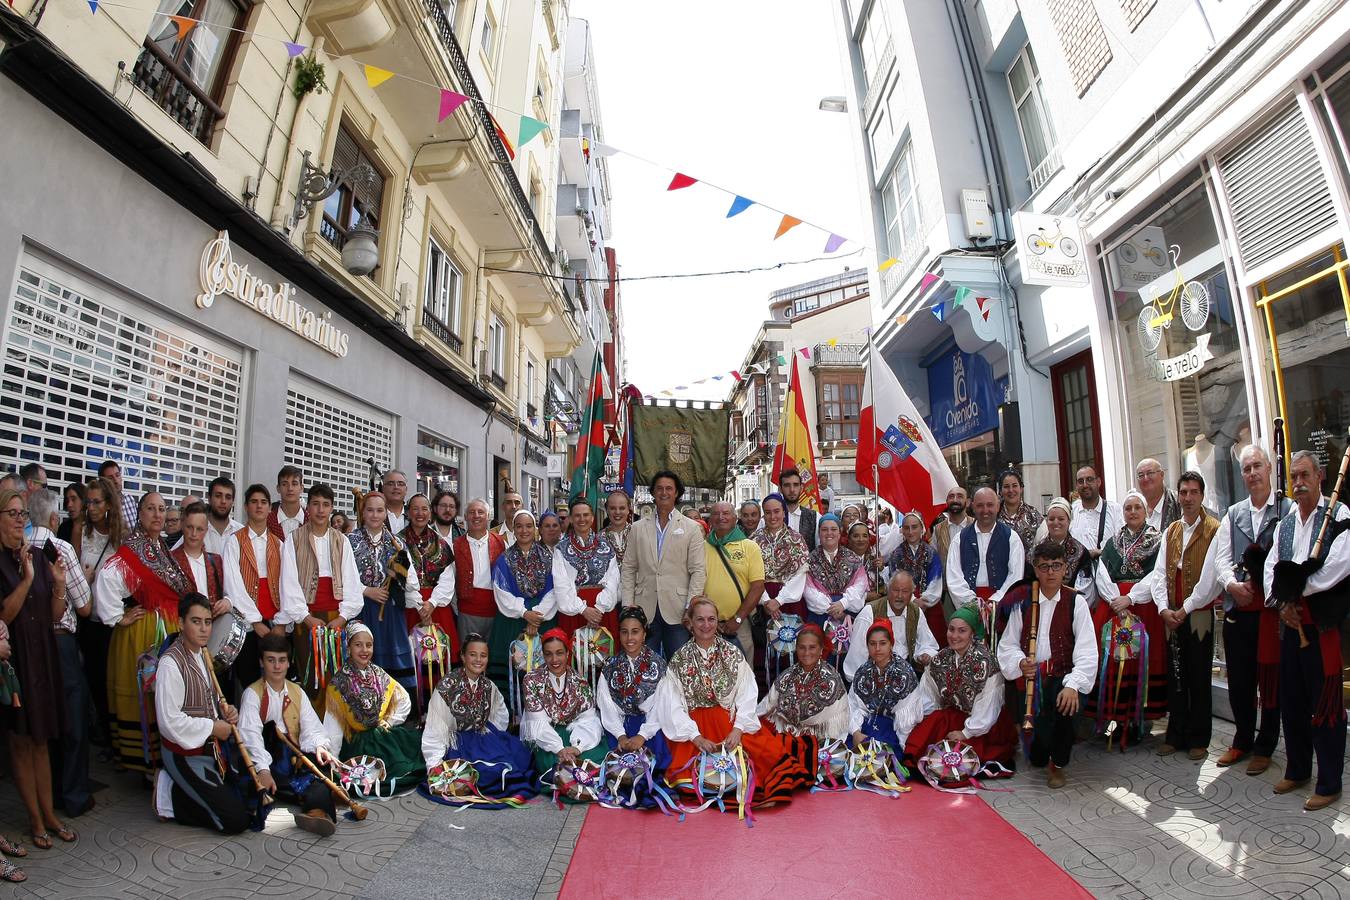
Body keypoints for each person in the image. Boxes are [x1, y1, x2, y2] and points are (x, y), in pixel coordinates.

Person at [1182, 445, 1288, 773]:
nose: (1252, 473)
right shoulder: (1234, 513)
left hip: (1270, 613)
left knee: (1270, 681)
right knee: (1240, 681)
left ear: (1269, 468)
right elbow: (1221, 558)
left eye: (1257, 466)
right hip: (1237, 610)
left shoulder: (1286, 510)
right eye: (1246, 469)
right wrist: (1231, 586)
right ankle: (1242, 739)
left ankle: (1266, 743)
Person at [656, 598, 815, 806]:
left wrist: (739, 728)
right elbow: (673, 705)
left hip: (729, 723)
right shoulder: (679, 660)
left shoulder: (732, 654)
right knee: (695, 777)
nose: (706, 625)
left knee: (763, 759)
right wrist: (696, 737)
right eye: (700, 619)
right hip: (694, 730)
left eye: (711, 619)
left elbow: (747, 693)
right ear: (690, 623)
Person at [1263, 450, 1349, 811]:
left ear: (1320, 477)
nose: (1298, 483)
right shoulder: (1284, 524)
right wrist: (1283, 603)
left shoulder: (1339, 515)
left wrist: (1296, 593)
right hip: (1289, 623)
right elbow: (1271, 568)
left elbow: (1337, 567)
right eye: (1294, 477)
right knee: (1293, 702)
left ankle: (1329, 781)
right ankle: (1297, 769)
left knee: (1326, 705)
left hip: (1320, 626)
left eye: (1305, 476)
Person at [94, 492, 192, 772]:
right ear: (140, 513)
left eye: (162, 509)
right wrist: (118, 617)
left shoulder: (159, 547)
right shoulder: (132, 549)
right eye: (151, 508)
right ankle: (145, 763)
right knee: (146, 693)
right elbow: (108, 578)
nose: (158, 514)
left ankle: (165, 758)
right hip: (144, 632)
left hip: (166, 628)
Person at [1, 488, 75, 848]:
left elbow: (55, 614)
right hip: (14, 660)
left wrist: (58, 584)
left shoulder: (38, 553)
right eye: (12, 513)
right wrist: (28, 579)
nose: (19, 520)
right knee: (21, 742)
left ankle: (49, 813)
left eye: (22, 514)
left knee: (42, 739)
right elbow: (4, 615)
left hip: (42, 655)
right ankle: (34, 819)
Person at [1131, 471, 1220, 760]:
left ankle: (1199, 737)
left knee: (1198, 677)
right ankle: (1176, 733)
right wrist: (1163, 609)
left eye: (1194, 492)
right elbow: (1158, 575)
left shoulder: (1214, 529)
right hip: (1171, 615)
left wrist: (1186, 608)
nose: (1188, 498)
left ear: (1202, 495)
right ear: (1178, 495)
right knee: (1176, 677)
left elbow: (1210, 579)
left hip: (1197, 614)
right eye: (1183, 492)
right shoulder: (1171, 530)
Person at [998, 542, 1098, 788]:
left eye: (1056, 566)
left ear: (1065, 568)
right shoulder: (1022, 602)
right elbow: (1008, 645)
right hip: (1032, 681)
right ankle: (1044, 755)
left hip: (1064, 677)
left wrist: (1074, 685)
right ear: (1036, 568)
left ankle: (1059, 764)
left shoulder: (1076, 602)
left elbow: (1087, 651)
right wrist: (1020, 662)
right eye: (1044, 567)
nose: (1050, 572)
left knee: (1066, 707)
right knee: (1037, 755)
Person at [152, 592, 250, 834]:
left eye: (207, 622)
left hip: (209, 749)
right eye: (196, 622)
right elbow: (169, 723)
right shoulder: (170, 664)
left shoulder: (203, 654)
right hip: (183, 753)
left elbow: (210, 700)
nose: (204, 629)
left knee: (248, 799)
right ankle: (169, 795)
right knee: (234, 821)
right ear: (181, 623)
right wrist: (213, 727)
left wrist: (227, 713)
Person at [28, 490, 95, 817]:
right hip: (60, 642)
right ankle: (74, 795)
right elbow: (84, 607)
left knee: (42, 720)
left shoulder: (20, 547)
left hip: (28, 644)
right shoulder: (62, 549)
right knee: (72, 720)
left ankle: (47, 793)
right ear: (54, 519)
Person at [237, 633, 337, 835]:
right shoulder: (252, 694)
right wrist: (263, 770)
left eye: (282, 660)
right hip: (266, 760)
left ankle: (316, 813)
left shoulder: (296, 691)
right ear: (261, 662)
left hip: (292, 758)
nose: (277, 666)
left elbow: (312, 729)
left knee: (321, 769)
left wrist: (319, 746)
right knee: (250, 791)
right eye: (271, 660)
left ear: (288, 662)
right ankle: (301, 797)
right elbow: (251, 737)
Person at [420, 632, 536, 806]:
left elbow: (501, 715)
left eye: (483, 655)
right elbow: (435, 727)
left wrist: (491, 733)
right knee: (483, 772)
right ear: (462, 656)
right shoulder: (446, 687)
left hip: (482, 737)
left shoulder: (489, 686)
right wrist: (434, 765)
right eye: (472, 654)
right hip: (458, 743)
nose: (478, 660)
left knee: (520, 756)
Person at [894, 608, 1017, 765]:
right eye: (951, 629)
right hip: (951, 717)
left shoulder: (986, 662)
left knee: (960, 761)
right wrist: (919, 720)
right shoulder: (940, 659)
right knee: (923, 747)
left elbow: (988, 706)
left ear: (972, 634)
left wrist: (965, 733)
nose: (954, 636)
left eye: (962, 631)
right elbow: (928, 696)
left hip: (981, 723)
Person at [277, 484, 363, 699]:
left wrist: (342, 618)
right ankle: (310, 727)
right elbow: (288, 582)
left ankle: (335, 728)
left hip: (335, 617)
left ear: (332, 508)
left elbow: (351, 582)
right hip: (307, 617)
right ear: (309, 507)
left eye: (326, 505)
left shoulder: (341, 540)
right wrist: (305, 618)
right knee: (310, 676)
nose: (320, 510)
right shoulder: (294, 539)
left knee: (336, 676)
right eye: (315, 504)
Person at [1093, 490, 1168, 727]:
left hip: (1142, 608)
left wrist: (1131, 598)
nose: (1133, 512)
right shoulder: (1113, 542)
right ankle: (1115, 718)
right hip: (1114, 608)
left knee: (1140, 659)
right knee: (1114, 661)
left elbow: (1158, 574)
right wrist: (1117, 600)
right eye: (1128, 508)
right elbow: (1102, 573)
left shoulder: (1157, 540)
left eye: (1137, 507)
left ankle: (1139, 720)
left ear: (1146, 511)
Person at [323, 623, 423, 795]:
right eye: (358, 644)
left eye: (369, 645)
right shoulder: (338, 682)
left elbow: (404, 699)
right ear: (348, 647)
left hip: (381, 735)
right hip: (358, 743)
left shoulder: (378, 673)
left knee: (410, 759)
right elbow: (333, 727)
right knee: (371, 775)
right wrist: (334, 761)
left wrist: (390, 721)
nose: (364, 650)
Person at [620, 471, 707, 658]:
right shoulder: (637, 528)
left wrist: (690, 606)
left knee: (680, 666)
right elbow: (628, 568)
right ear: (653, 492)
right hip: (644, 610)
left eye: (669, 488)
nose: (664, 492)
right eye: (659, 488)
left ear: (676, 493)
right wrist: (628, 605)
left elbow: (698, 571)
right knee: (644, 666)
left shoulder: (691, 528)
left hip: (678, 611)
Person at [595, 607, 671, 806]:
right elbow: (606, 705)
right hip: (618, 728)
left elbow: (660, 707)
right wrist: (620, 735)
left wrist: (642, 736)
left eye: (635, 631)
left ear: (644, 633)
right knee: (613, 767)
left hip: (649, 729)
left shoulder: (659, 665)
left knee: (651, 769)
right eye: (624, 631)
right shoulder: (610, 666)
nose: (630, 637)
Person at [349, 491, 422, 694]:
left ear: (386, 513)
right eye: (370, 510)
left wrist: (399, 572)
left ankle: (396, 704)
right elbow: (343, 578)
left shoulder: (397, 543)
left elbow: (411, 582)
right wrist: (366, 590)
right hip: (362, 610)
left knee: (393, 657)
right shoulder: (349, 541)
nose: (374, 515)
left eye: (380, 510)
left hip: (390, 611)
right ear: (362, 512)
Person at [520, 629, 607, 795]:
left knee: (599, 755)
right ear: (543, 655)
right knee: (554, 763)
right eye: (549, 654)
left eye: (559, 653)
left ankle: (578, 780)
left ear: (568, 653)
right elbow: (537, 724)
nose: (554, 660)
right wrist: (559, 749)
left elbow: (588, 720)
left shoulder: (579, 681)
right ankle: (570, 782)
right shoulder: (531, 680)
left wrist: (576, 748)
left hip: (574, 732)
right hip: (546, 737)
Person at [488, 510, 558, 700]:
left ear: (535, 529)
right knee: (512, 666)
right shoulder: (503, 559)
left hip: (544, 618)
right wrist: (524, 613)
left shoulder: (549, 558)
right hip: (512, 620)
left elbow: (554, 591)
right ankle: (512, 711)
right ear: (514, 529)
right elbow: (501, 592)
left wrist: (536, 616)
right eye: (519, 526)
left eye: (528, 526)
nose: (524, 530)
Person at [76, 476, 123, 748]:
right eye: (88, 502)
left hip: (111, 622)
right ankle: (103, 736)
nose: (91, 507)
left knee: (111, 683)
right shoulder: (82, 531)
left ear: (108, 504)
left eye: (96, 502)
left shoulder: (121, 537)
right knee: (94, 681)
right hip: (88, 620)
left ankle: (114, 740)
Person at [222, 485, 284, 692]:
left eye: (264, 502)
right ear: (246, 507)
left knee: (276, 680)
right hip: (248, 622)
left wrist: (281, 622)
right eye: (254, 502)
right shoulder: (234, 542)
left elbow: (287, 584)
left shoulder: (279, 544)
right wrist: (255, 622)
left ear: (269, 509)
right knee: (249, 680)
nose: (259, 506)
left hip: (275, 621)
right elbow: (233, 585)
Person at [946, 487, 1024, 644]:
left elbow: (1015, 576)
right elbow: (953, 576)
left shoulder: (1011, 538)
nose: (985, 510)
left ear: (998, 506)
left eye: (990, 505)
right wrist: (975, 604)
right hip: (968, 605)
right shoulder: (960, 538)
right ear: (973, 506)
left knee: (1001, 649)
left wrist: (995, 602)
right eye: (980, 505)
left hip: (1002, 604)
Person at [757, 624, 850, 741]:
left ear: (821, 649)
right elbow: (767, 704)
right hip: (784, 735)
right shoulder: (788, 675)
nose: (806, 653)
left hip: (818, 740)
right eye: (802, 647)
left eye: (812, 647)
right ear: (796, 648)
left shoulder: (832, 679)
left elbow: (836, 725)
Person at [844, 572, 939, 680]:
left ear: (911, 595)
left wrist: (924, 654)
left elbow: (927, 643)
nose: (899, 596)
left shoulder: (916, 612)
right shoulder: (869, 612)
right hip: (875, 676)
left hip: (907, 675)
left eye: (905, 591)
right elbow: (856, 657)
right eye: (895, 590)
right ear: (888, 590)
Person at [402, 493, 459, 670]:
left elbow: (448, 579)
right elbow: (399, 577)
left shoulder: (441, 543)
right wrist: (419, 605)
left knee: (440, 660)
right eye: (415, 509)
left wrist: (432, 603)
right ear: (408, 512)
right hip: (411, 607)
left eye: (424, 509)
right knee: (413, 661)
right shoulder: (398, 541)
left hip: (437, 606)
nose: (420, 513)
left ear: (430, 512)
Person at [703, 501, 764, 660]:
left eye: (726, 513)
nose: (721, 517)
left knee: (743, 677)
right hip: (707, 625)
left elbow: (757, 587)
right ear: (710, 520)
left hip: (740, 625)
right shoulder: (701, 547)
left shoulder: (750, 547)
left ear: (735, 518)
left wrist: (737, 618)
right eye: (716, 513)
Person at [553, 498, 620, 641]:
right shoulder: (561, 549)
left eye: (586, 515)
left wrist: (599, 609)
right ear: (571, 518)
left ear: (592, 517)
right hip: (574, 611)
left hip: (602, 611)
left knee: (603, 654)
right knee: (576, 658)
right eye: (577, 515)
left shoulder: (606, 546)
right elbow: (561, 584)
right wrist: (583, 610)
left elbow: (613, 580)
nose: (582, 519)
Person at [847, 618, 919, 750]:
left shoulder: (904, 673)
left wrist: (901, 747)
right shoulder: (863, 672)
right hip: (866, 724)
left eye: (883, 643)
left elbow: (906, 718)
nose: (877, 649)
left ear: (891, 644)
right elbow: (854, 705)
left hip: (892, 730)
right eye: (872, 644)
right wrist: (856, 732)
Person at [883, 511, 945, 647]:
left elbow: (936, 580)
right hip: (903, 602)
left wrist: (925, 600)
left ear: (921, 528)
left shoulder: (931, 553)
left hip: (929, 604)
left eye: (914, 527)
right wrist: (911, 600)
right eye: (906, 528)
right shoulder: (896, 555)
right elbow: (894, 580)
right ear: (902, 530)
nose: (910, 531)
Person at [455, 499, 506, 644]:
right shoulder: (456, 545)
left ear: (488, 516)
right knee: (468, 652)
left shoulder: (501, 542)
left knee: (491, 655)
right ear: (465, 517)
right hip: (467, 612)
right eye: (471, 512)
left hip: (495, 609)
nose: (476, 516)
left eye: (480, 512)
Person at [803, 514, 866, 630]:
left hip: (848, 616)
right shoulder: (809, 560)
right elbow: (808, 591)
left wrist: (843, 603)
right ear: (819, 533)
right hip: (819, 617)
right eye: (824, 530)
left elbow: (860, 585)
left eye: (833, 529)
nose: (829, 533)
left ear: (839, 533)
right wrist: (832, 608)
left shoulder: (853, 558)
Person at [754, 493, 810, 621]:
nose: (773, 517)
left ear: (784, 513)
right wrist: (766, 601)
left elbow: (801, 574)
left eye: (776, 511)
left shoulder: (796, 539)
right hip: (762, 600)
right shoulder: (754, 540)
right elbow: (749, 574)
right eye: (768, 512)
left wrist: (779, 600)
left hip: (790, 600)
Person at [171, 503, 227, 619]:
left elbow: (230, 592)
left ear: (206, 530)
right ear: (182, 525)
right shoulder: (169, 560)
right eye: (189, 527)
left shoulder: (216, 561)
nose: (194, 534)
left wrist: (228, 601)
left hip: (213, 626)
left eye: (199, 529)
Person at [1031, 498, 1095, 597]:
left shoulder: (1081, 553)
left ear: (1069, 521)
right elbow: (1029, 583)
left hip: (1072, 606)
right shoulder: (1035, 552)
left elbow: (1085, 589)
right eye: (1051, 519)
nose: (1056, 523)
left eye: (1061, 519)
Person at [1069, 466, 1122, 561]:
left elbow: (1123, 545)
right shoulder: (1071, 512)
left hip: (1107, 573)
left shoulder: (1114, 510)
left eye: (1089, 479)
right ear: (1076, 486)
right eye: (1081, 481)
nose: (1085, 485)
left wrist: (1100, 553)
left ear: (1098, 482)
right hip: (1078, 574)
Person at [997, 469, 1042, 552]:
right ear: (1000, 491)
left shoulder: (1034, 515)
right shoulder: (994, 515)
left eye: (1014, 486)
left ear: (1021, 488)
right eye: (1006, 487)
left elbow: (1043, 546)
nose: (1011, 490)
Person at [1136, 458, 1181, 533]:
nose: (1145, 478)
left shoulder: (1179, 502)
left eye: (1150, 473)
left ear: (1162, 475)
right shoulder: (1134, 508)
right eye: (1141, 475)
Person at [777, 468, 818, 551]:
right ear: (780, 488)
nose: (792, 490)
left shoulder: (815, 517)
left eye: (795, 485)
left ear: (801, 488)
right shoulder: (770, 518)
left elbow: (820, 549)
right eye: (787, 485)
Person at [848, 521, 886, 608]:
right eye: (856, 536)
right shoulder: (842, 560)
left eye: (865, 536)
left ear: (869, 538)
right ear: (849, 539)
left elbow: (884, 588)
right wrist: (865, 596)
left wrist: (882, 570)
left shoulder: (875, 558)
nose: (861, 539)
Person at [202, 477, 243, 557]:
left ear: (232, 501)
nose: (223, 501)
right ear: (209, 498)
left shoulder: (241, 532)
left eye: (228, 497)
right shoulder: (196, 530)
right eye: (218, 496)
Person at [98, 459, 140, 533]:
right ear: (103, 482)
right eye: (110, 478)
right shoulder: (102, 506)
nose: (116, 481)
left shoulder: (130, 499)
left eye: (117, 475)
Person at [267, 466, 307, 540]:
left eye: (294, 484)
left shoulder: (311, 521)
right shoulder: (267, 521)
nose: (290, 488)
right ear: (278, 488)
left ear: (301, 488)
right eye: (284, 484)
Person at [602, 490, 633, 562]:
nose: (617, 512)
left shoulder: (639, 534)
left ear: (628, 509)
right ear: (607, 510)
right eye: (613, 508)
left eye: (622, 508)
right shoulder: (598, 539)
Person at [382, 469, 410, 534]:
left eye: (400, 484)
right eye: (391, 484)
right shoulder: (375, 514)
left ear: (406, 489)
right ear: (383, 488)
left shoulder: (412, 514)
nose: (396, 487)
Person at [58, 480, 85, 544]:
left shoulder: (93, 527)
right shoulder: (63, 528)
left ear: (84, 500)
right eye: (67, 500)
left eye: (73, 499)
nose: (69, 505)